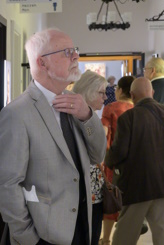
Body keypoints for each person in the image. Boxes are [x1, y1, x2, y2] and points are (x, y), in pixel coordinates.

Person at [0, 28, 106, 245]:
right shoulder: (17, 114)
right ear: (42, 63)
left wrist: (87, 116)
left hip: (81, 226)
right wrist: (29, 238)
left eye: (75, 50)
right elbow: (6, 185)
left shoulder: (76, 104)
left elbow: (97, 154)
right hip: (43, 235)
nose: (76, 57)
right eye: (67, 52)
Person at [105, 77, 164, 245]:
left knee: (125, 235)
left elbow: (120, 151)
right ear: (152, 93)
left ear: (132, 95)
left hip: (136, 187)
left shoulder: (128, 118)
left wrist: (107, 160)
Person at [72, 70, 109, 245]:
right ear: (89, 91)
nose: (105, 98)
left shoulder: (91, 117)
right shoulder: (75, 117)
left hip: (93, 192)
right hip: (83, 194)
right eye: (101, 93)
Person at [100, 75, 135, 245]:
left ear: (120, 90)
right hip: (134, 163)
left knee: (111, 198)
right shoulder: (137, 108)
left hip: (113, 161)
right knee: (129, 201)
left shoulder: (111, 108)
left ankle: (106, 239)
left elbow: (104, 136)